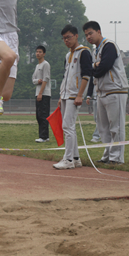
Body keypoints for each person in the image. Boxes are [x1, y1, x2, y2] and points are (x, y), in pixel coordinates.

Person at [84, 21, 129, 165]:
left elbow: (104, 66)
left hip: (115, 89)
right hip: (101, 91)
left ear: (99, 31)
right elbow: (90, 70)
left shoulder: (109, 45)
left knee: (116, 126)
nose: (88, 37)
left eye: (90, 33)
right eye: (86, 35)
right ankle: (107, 155)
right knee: (103, 127)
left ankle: (117, 158)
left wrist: (94, 67)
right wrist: (95, 66)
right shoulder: (94, 51)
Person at [53, 25, 92, 169]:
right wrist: (61, 95)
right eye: (64, 38)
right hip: (65, 95)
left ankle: (68, 160)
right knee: (70, 127)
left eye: (68, 37)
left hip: (75, 95)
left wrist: (80, 95)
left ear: (76, 36)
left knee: (67, 126)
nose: (66, 40)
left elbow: (87, 75)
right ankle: (75, 158)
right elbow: (65, 76)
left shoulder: (84, 53)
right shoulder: (68, 55)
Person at [32, 45, 51, 143]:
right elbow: (33, 79)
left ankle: (44, 137)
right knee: (38, 115)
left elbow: (46, 79)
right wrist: (37, 81)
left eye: (40, 52)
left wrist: (40, 93)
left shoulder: (45, 64)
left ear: (44, 54)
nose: (38, 53)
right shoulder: (37, 66)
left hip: (44, 93)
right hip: (38, 93)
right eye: (37, 52)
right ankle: (43, 135)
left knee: (43, 115)